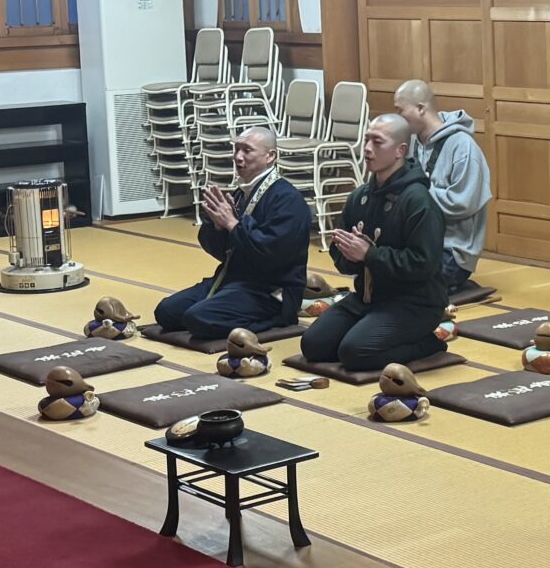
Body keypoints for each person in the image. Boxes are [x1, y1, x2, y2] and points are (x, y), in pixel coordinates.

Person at [303, 114, 448, 374]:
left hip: (414, 303)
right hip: (369, 298)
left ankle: (428, 344)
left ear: (400, 151)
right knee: (313, 345)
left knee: (354, 353)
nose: (367, 149)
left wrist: (370, 255)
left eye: (377, 142)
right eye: (367, 140)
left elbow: (423, 265)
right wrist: (351, 255)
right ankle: (373, 330)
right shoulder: (360, 197)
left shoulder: (418, 201)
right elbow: (341, 252)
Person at [153, 126, 313, 340]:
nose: (238, 157)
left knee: (197, 319)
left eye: (247, 150)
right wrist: (218, 227)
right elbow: (225, 253)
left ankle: (280, 319)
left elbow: (272, 254)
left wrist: (233, 224)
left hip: (270, 290)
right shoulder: (240, 193)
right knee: (166, 312)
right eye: (236, 149)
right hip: (232, 280)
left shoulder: (288, 200)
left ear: (270, 156)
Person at [392, 78, 491, 295]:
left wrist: (414, 197)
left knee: (404, 288)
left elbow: (463, 203)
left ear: (420, 108)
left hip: (452, 250)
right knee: (378, 270)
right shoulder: (412, 143)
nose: (397, 118)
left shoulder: (463, 147)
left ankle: (452, 280)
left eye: (400, 111)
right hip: (418, 243)